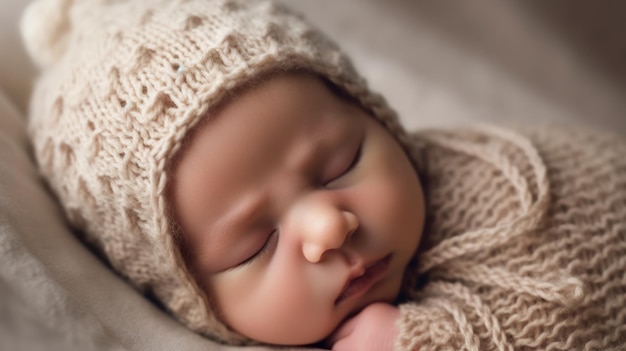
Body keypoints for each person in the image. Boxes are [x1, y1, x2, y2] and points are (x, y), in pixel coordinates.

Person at [21, 0, 626, 350]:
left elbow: (579, 296)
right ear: (191, 301)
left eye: (340, 165)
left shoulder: (497, 186)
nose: (328, 227)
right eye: (255, 244)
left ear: (379, 118)